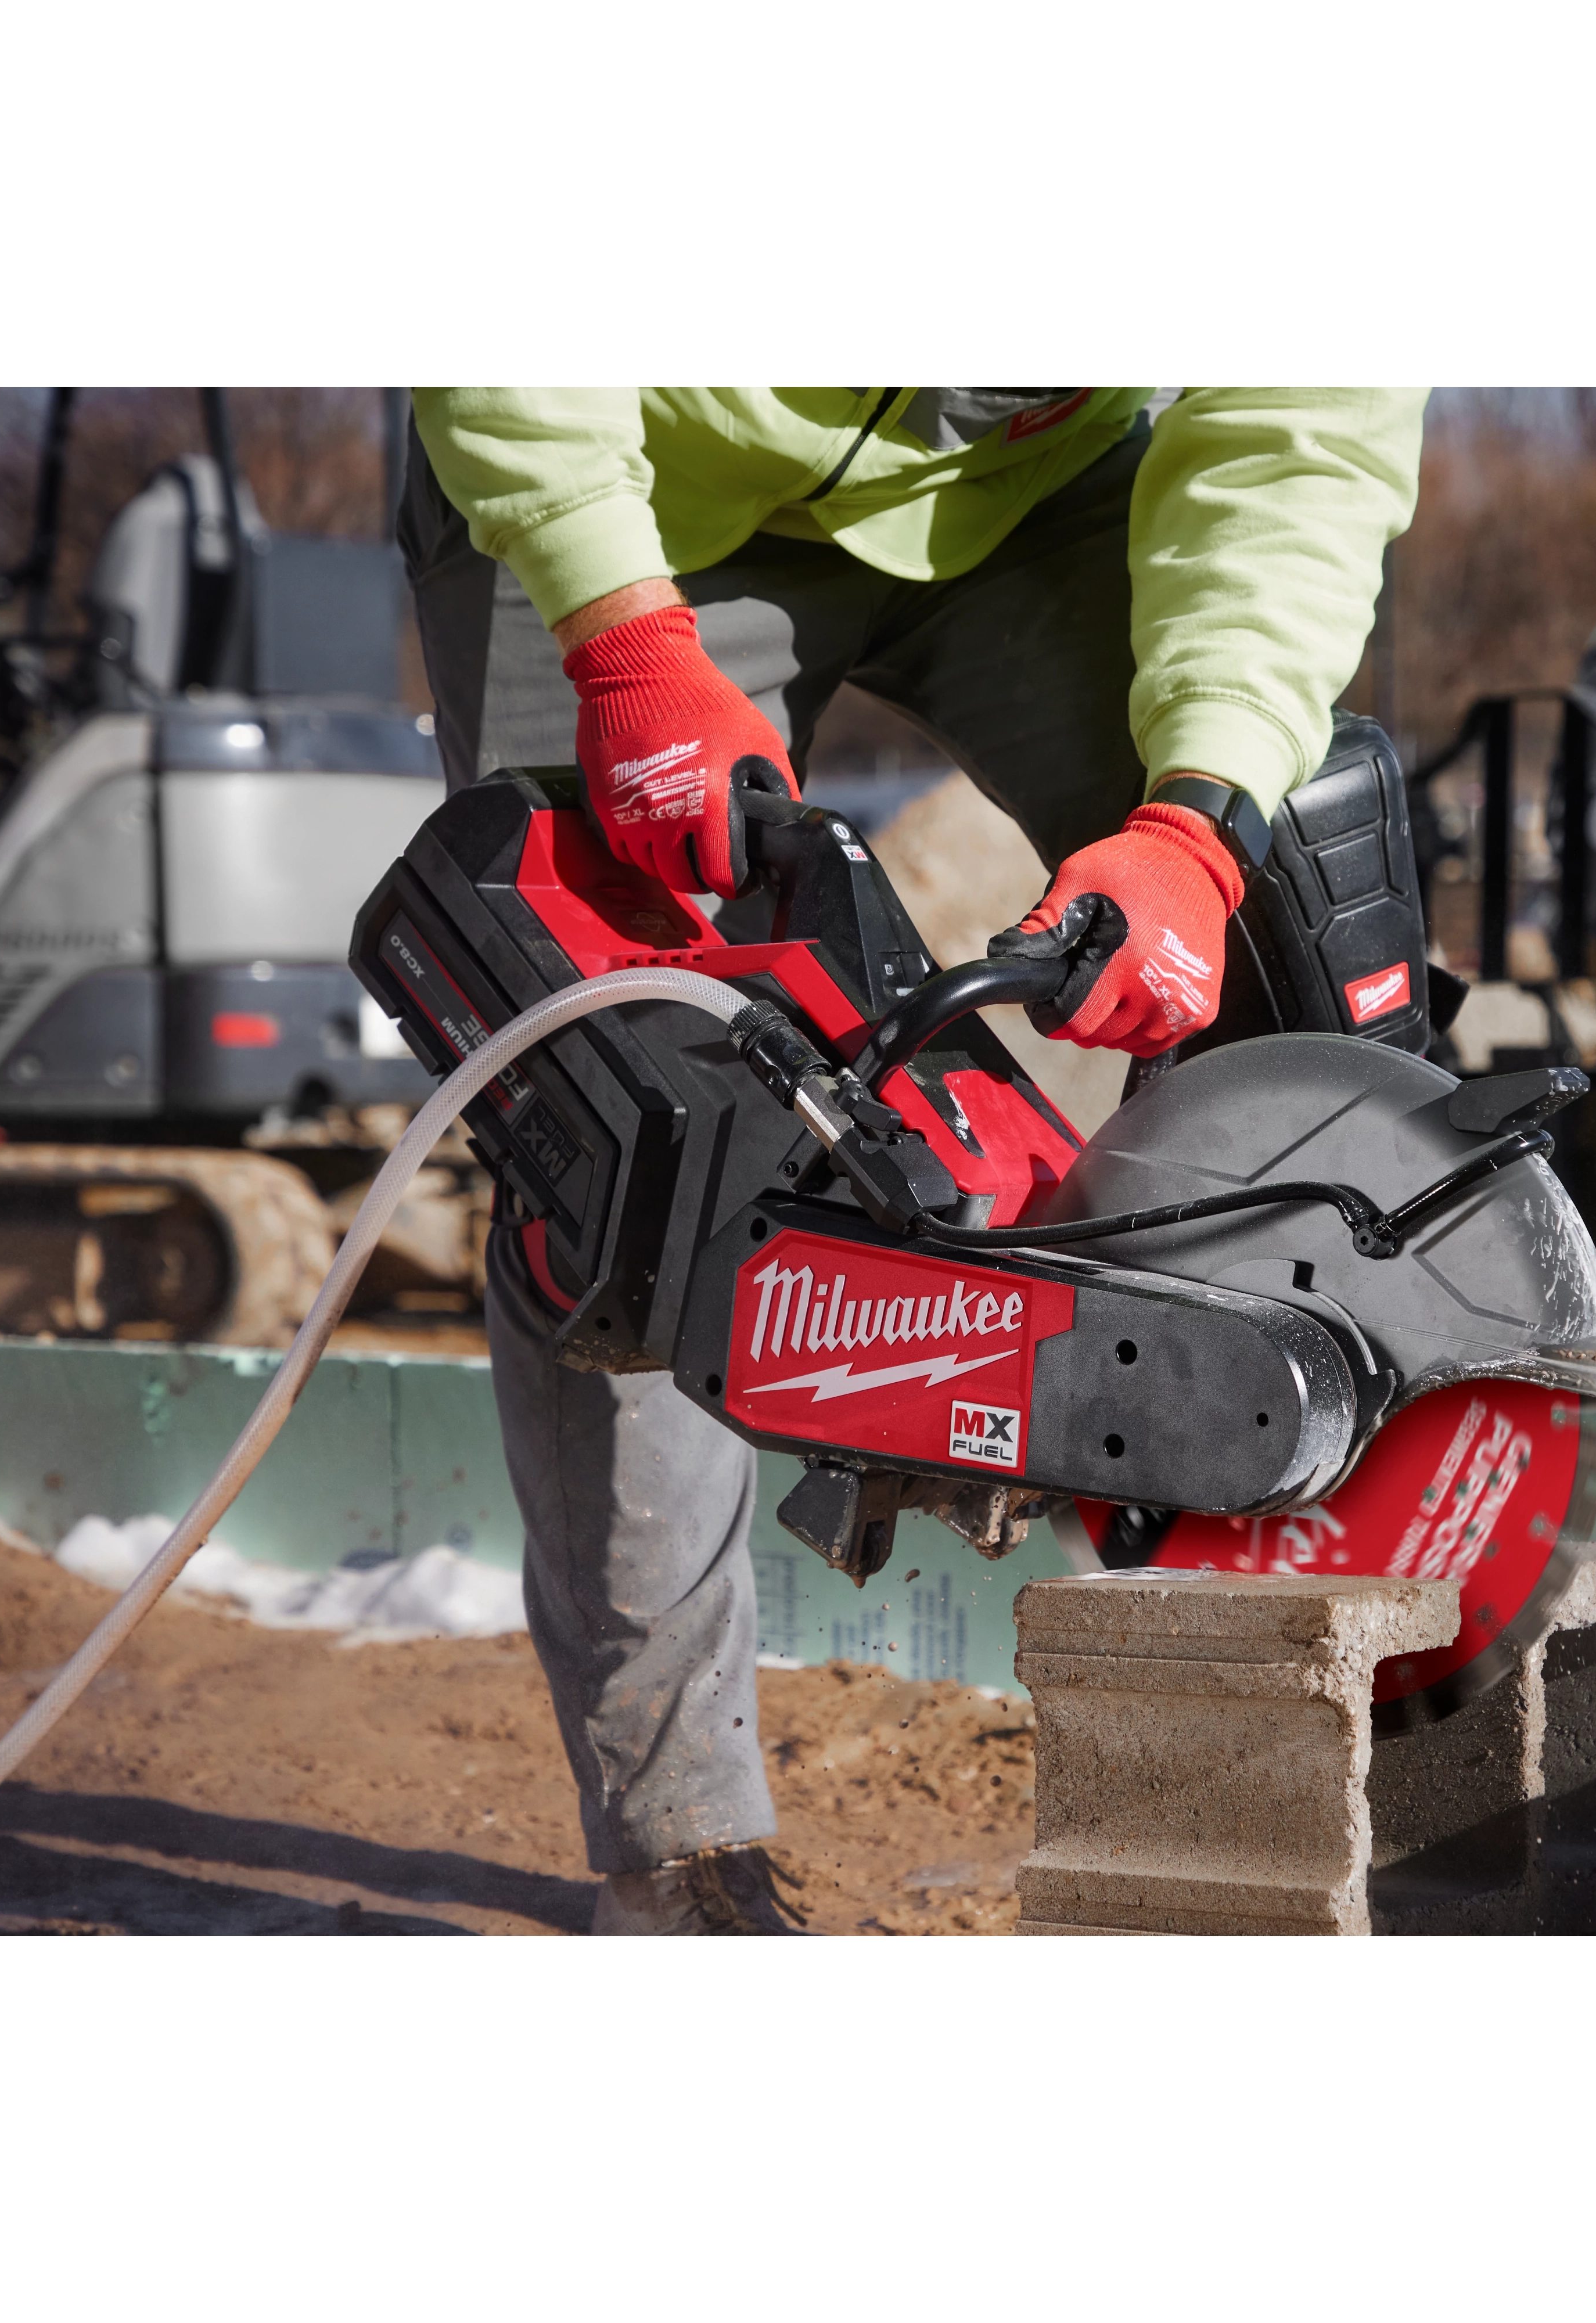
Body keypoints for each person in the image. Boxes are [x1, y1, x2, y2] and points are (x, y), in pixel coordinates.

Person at [399, 386, 1426, 1933]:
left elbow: (1303, 438)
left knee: (1287, 922)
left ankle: (1367, 1726)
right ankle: (677, 1841)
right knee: (624, 1140)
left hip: (1041, 497)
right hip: (638, 483)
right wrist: (620, 638)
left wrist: (1197, 826)